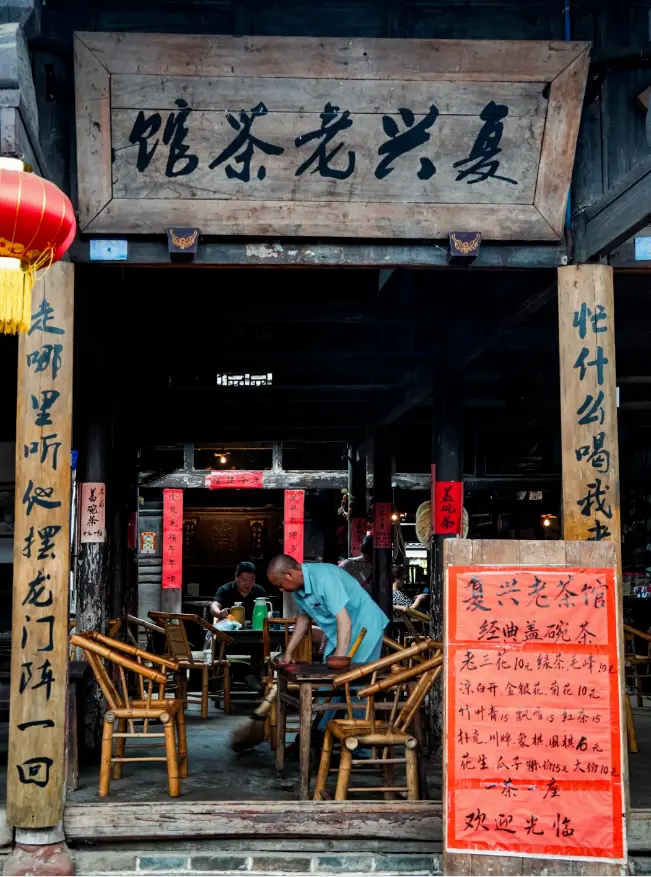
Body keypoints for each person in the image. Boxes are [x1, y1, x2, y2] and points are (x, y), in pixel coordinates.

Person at [267, 554, 389, 664]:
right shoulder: (296, 589)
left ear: (289, 574)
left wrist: (339, 658)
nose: (281, 590)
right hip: (341, 632)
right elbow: (304, 618)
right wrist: (289, 652)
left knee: (353, 677)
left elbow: (344, 621)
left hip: (365, 626)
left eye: (279, 585)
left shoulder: (324, 578)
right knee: (329, 675)